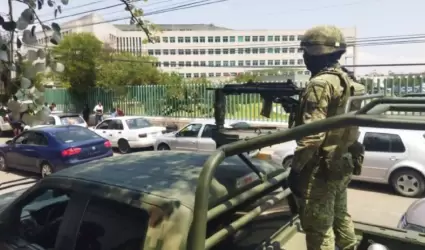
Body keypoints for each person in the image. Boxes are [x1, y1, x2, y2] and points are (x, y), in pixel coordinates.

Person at [287, 25, 366, 250]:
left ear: (315, 54)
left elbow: (312, 137)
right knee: (340, 216)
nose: (304, 57)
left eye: (306, 52)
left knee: (319, 229)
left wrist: (296, 171)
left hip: (320, 169)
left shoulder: (320, 84)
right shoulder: (350, 81)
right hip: (342, 161)